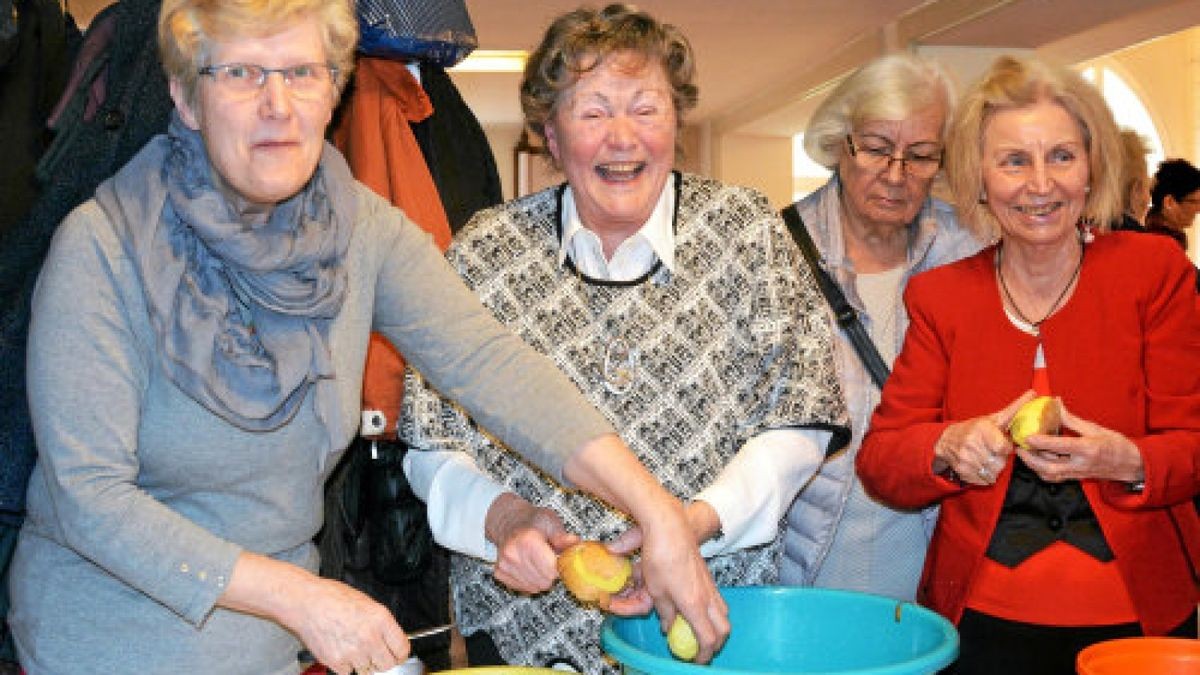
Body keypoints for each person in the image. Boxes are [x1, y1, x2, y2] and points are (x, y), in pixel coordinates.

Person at [7, 1, 730, 672]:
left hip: (265, 649)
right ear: (186, 97)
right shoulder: (102, 246)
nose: (277, 105)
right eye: (240, 73)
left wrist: (656, 511)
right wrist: (300, 595)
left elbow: (492, 363)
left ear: (334, 90)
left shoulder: (361, 231)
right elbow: (89, 496)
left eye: (302, 72)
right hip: (101, 645)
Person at [399, 4, 849, 672]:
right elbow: (429, 442)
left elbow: (798, 420)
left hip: (706, 615)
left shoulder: (745, 234)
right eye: (592, 112)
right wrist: (502, 520)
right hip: (529, 632)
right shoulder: (487, 253)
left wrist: (692, 524)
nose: (622, 137)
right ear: (550, 137)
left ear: (676, 123)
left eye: (646, 108)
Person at [857, 55, 1200, 675]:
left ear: (1091, 168)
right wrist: (948, 445)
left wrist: (1132, 461)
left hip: (1141, 624)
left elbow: (1194, 442)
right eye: (1014, 161)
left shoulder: (1155, 274)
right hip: (984, 631)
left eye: (1061, 157)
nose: (1040, 184)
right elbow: (882, 462)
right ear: (979, 177)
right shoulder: (942, 298)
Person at [778, 53, 982, 601]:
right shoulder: (772, 253)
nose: (896, 175)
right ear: (837, 142)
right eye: (874, 149)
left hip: (934, 563)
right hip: (801, 565)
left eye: (920, 156)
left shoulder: (973, 252)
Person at [1112, 129, 1151, 231]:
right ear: (1136, 190)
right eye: (1147, 187)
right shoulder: (1163, 246)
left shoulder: (1073, 242)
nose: (1149, 198)